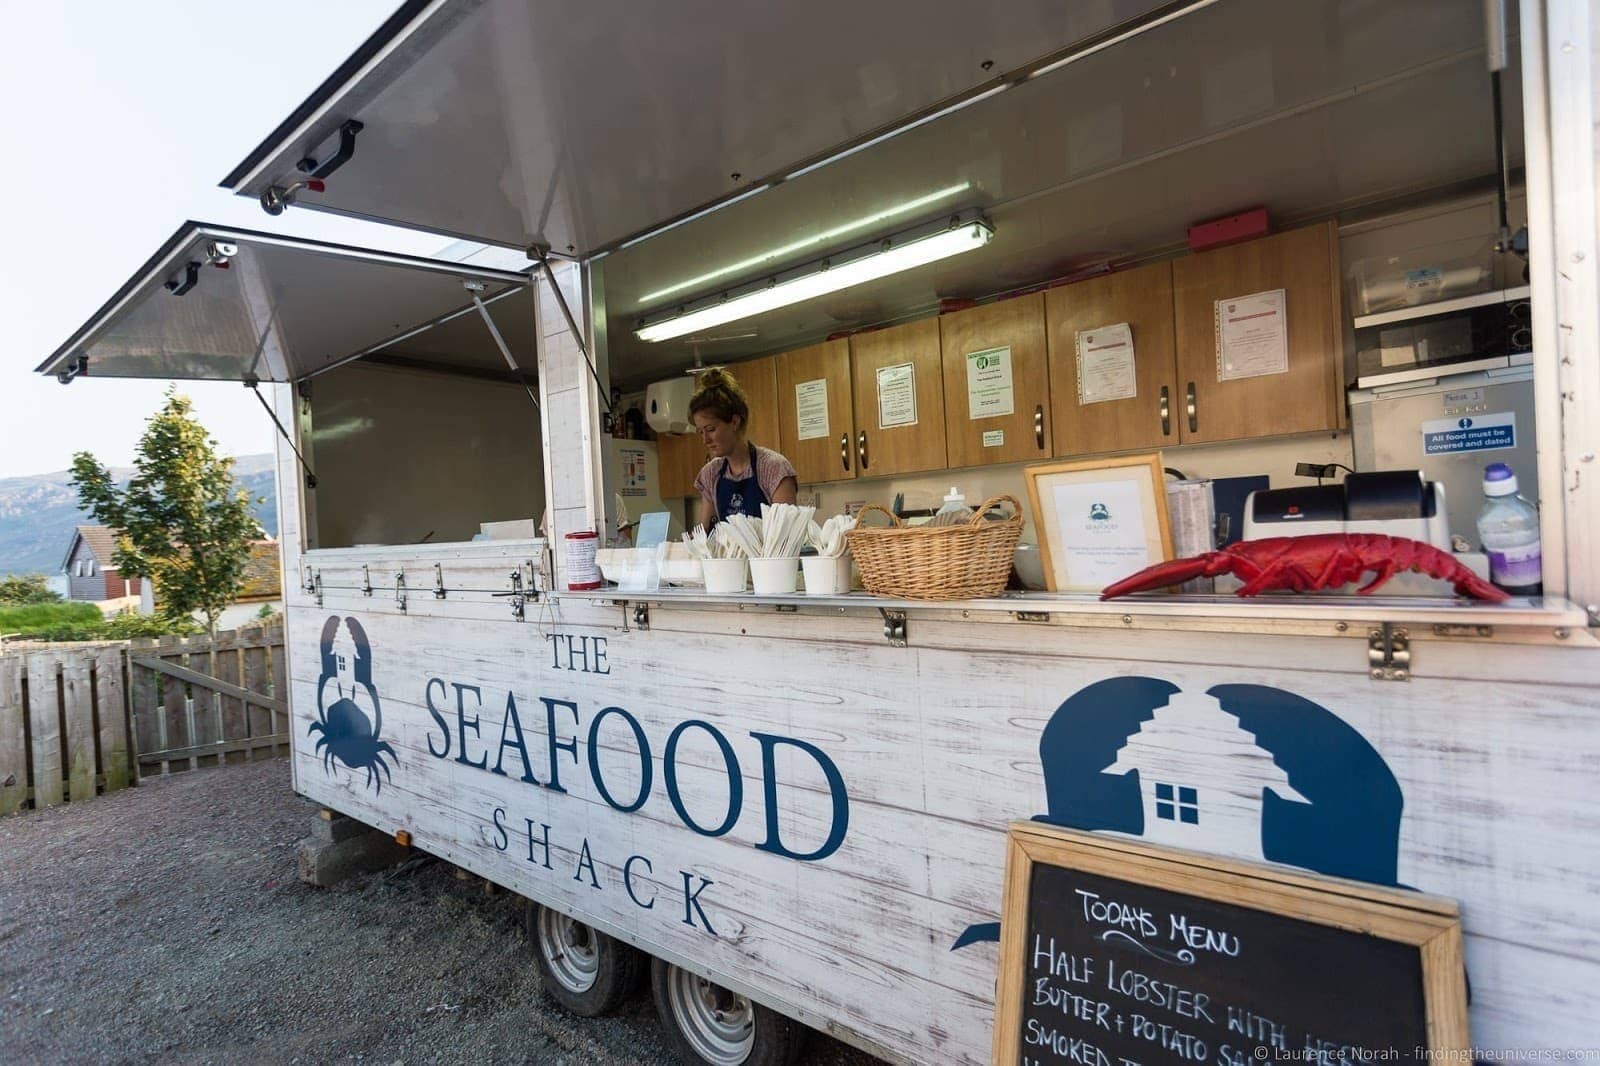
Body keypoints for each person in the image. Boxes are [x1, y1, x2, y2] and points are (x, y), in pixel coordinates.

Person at [689, 367, 798, 528]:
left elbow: (786, 537)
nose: (705, 439)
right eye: (700, 432)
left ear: (734, 422)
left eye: (711, 430)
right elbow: (705, 536)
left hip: (771, 554)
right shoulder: (710, 474)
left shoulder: (773, 468)